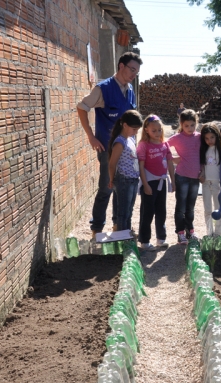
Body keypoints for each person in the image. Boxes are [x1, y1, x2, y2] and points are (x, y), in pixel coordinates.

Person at [77, 51, 142, 238]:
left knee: (121, 189)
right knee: (107, 187)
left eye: (136, 72)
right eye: (131, 69)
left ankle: (118, 228)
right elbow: (82, 108)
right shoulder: (103, 88)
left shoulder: (130, 91)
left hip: (127, 150)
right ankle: (97, 229)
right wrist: (91, 137)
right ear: (121, 66)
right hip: (107, 148)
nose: (133, 74)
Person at [137, 114, 175, 251]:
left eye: (160, 130)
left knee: (161, 211)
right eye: (154, 130)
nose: (157, 133)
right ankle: (144, 240)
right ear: (146, 129)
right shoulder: (143, 145)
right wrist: (145, 184)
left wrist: (173, 180)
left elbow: (170, 163)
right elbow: (141, 166)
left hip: (161, 182)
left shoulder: (165, 144)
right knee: (147, 212)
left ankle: (161, 238)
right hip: (149, 181)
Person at [107, 110, 143, 233]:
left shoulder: (131, 139)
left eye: (137, 129)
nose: (136, 132)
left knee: (129, 211)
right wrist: (112, 180)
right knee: (122, 213)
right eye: (134, 129)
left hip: (133, 180)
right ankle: (123, 241)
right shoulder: (120, 142)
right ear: (125, 125)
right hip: (123, 180)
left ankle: (126, 236)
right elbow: (112, 164)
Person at [169, 109, 201, 244]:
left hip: (195, 177)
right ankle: (180, 232)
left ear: (196, 123)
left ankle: (190, 230)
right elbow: (163, 147)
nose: (190, 128)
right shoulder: (176, 138)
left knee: (191, 206)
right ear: (181, 124)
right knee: (181, 206)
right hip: (181, 176)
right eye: (186, 126)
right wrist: (173, 158)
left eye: (192, 125)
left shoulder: (199, 137)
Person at [200, 123, 221, 237]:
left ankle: (218, 232)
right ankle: (209, 232)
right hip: (205, 183)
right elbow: (202, 165)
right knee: (207, 209)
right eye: (207, 138)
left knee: (218, 208)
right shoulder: (203, 150)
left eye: (212, 137)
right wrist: (202, 175)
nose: (209, 140)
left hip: (217, 183)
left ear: (217, 136)